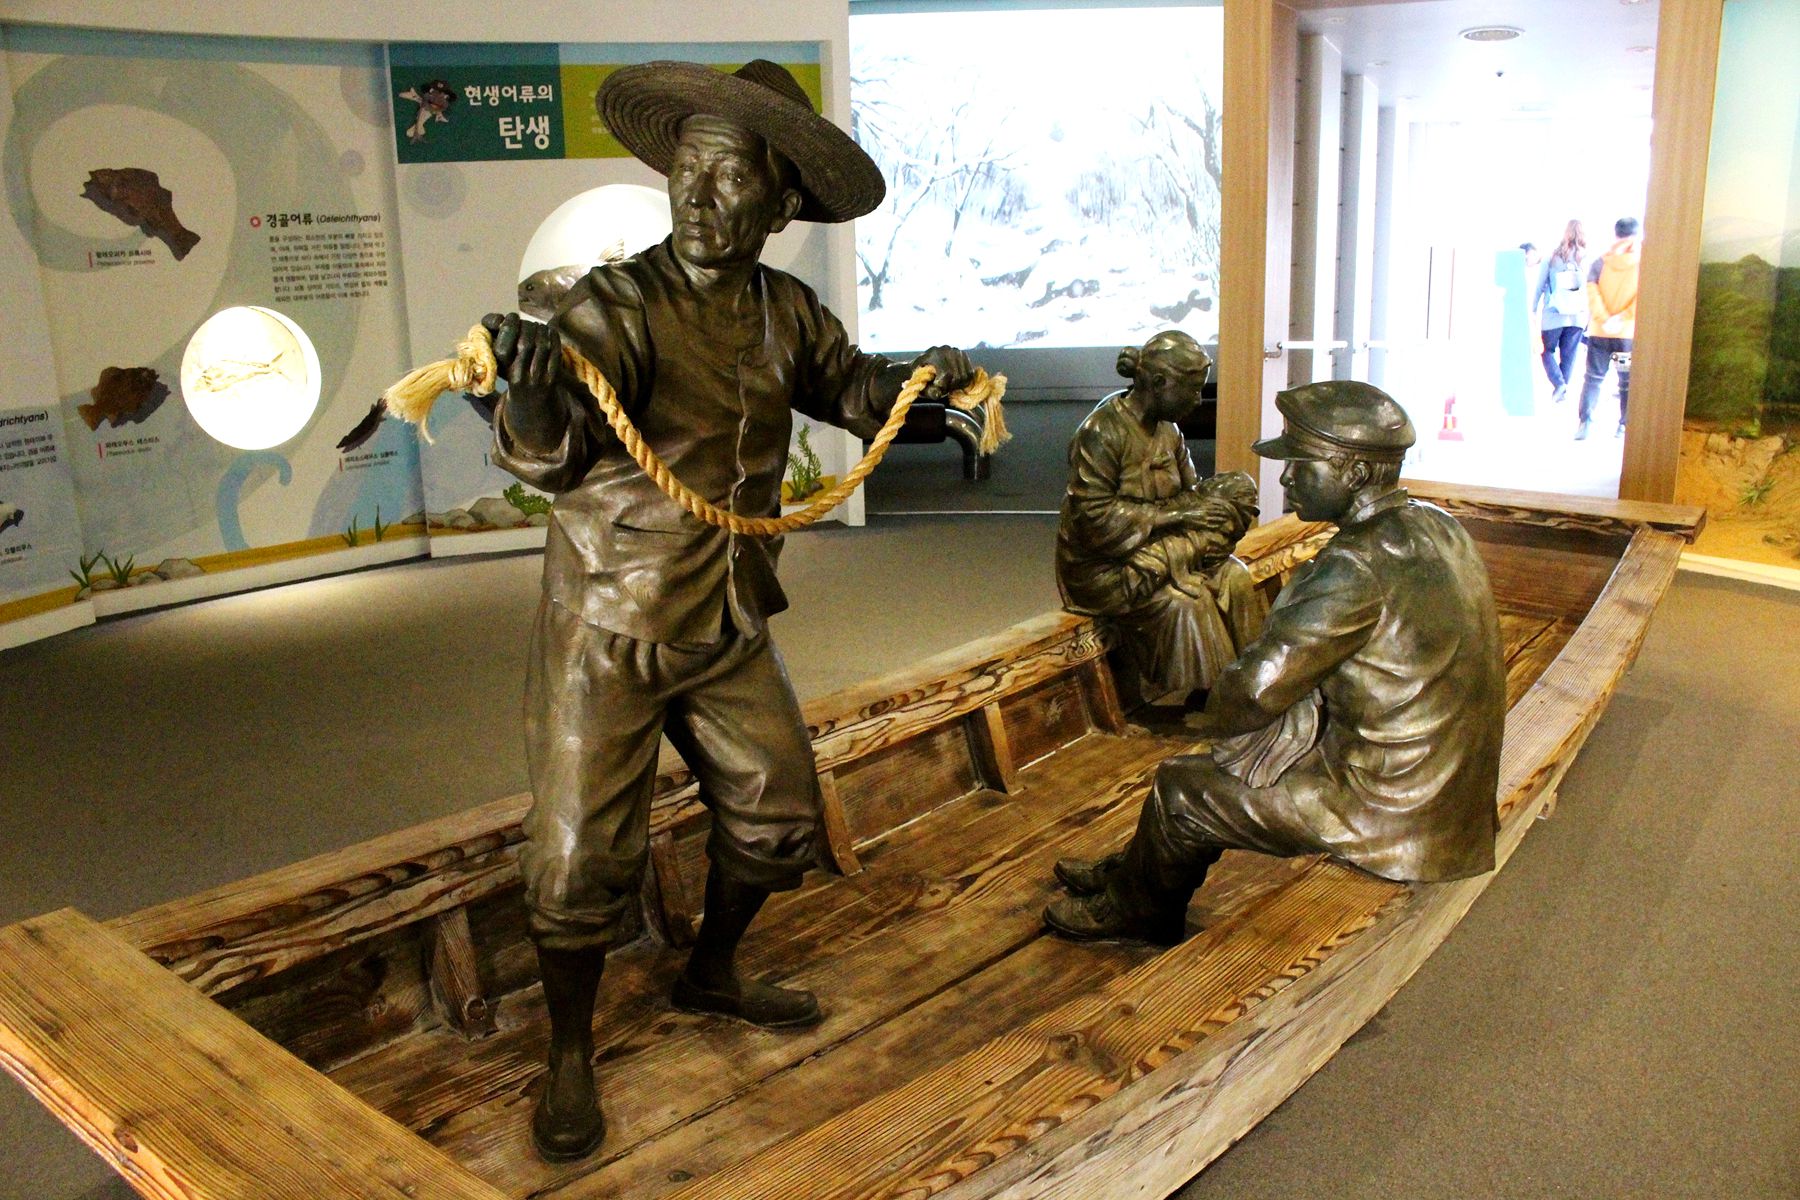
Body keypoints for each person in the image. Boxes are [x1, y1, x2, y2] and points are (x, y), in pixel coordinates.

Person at [486, 59, 976, 1161]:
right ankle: (568, 1053)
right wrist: (531, 385)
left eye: (730, 177)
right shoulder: (613, 306)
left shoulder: (783, 308)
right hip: (610, 622)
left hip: (726, 612)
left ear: (781, 203)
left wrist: (921, 389)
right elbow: (554, 453)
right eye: (688, 170)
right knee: (576, 859)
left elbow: (853, 387)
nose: (699, 197)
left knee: (780, 816)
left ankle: (711, 969)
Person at [1044, 380, 1504, 945]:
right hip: (1449, 791)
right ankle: (1134, 867)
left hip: (1387, 812)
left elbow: (1254, 692)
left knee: (1179, 788)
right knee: (1244, 754)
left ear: (1356, 473)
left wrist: (1216, 714)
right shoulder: (1439, 525)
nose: (1285, 478)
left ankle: (1139, 913)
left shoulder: (1352, 566)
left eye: (1300, 464)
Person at [1055, 331, 1266, 704]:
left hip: (1160, 546)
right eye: (1193, 390)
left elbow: (1190, 491)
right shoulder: (1102, 431)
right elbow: (1092, 518)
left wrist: (1214, 508)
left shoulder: (1170, 431)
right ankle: (1211, 699)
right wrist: (1180, 513)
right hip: (1104, 566)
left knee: (1234, 576)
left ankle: (1254, 682)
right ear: (1158, 382)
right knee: (1187, 601)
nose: (1198, 400)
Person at [1577, 216, 1640, 439]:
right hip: (1626, 336)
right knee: (1626, 382)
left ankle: (1585, 423)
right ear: (1636, 236)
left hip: (1600, 334)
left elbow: (1591, 292)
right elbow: (1641, 298)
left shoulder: (1600, 263)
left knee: (1593, 378)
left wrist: (1605, 319)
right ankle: (1624, 425)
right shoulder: (1643, 265)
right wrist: (1621, 318)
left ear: (1615, 234)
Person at [1532, 220, 1588, 405]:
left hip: (1553, 315)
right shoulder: (1586, 259)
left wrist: (1532, 310)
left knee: (1546, 350)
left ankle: (1559, 384)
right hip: (1577, 317)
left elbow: (1539, 286)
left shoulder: (1552, 258)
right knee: (1569, 355)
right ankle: (1562, 388)